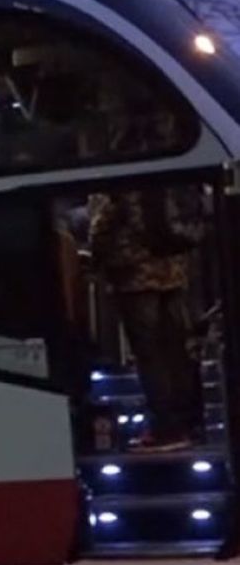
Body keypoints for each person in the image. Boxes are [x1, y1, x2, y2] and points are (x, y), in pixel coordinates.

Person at [88, 178, 205, 451]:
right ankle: (189, 423)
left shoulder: (115, 178)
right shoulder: (161, 172)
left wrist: (96, 259)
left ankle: (166, 428)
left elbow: (101, 225)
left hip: (135, 276)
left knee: (149, 353)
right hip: (172, 270)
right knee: (176, 350)